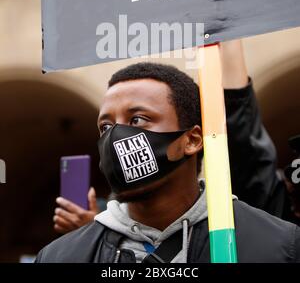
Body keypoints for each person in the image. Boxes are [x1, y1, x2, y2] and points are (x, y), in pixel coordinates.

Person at [36, 58, 300, 263]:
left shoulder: (278, 246)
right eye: (106, 126)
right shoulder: (60, 256)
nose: (115, 137)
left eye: (137, 119)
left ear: (192, 140)